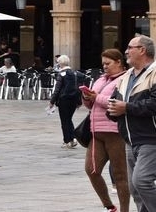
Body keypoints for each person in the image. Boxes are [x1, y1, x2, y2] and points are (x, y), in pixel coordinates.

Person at [108, 35, 156, 212]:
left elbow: (154, 104)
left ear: (142, 50)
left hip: (151, 138)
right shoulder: (126, 76)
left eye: (130, 47)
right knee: (134, 189)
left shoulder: (155, 73)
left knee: (142, 181)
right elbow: (114, 101)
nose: (126, 51)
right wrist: (112, 110)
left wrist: (126, 108)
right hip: (130, 139)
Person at [82, 48, 129, 212]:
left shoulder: (126, 79)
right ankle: (109, 205)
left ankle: (124, 209)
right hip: (96, 131)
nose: (105, 67)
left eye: (108, 63)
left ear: (119, 62)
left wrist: (97, 97)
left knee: (120, 175)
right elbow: (92, 104)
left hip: (115, 132)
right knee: (91, 170)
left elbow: (118, 102)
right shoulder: (101, 79)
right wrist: (87, 98)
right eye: (103, 64)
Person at [49, 54, 81, 149]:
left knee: (64, 121)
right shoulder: (75, 73)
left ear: (60, 63)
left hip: (64, 100)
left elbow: (57, 89)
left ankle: (67, 141)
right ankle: (73, 138)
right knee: (69, 119)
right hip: (73, 100)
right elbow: (78, 88)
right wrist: (79, 101)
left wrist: (52, 101)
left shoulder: (61, 74)